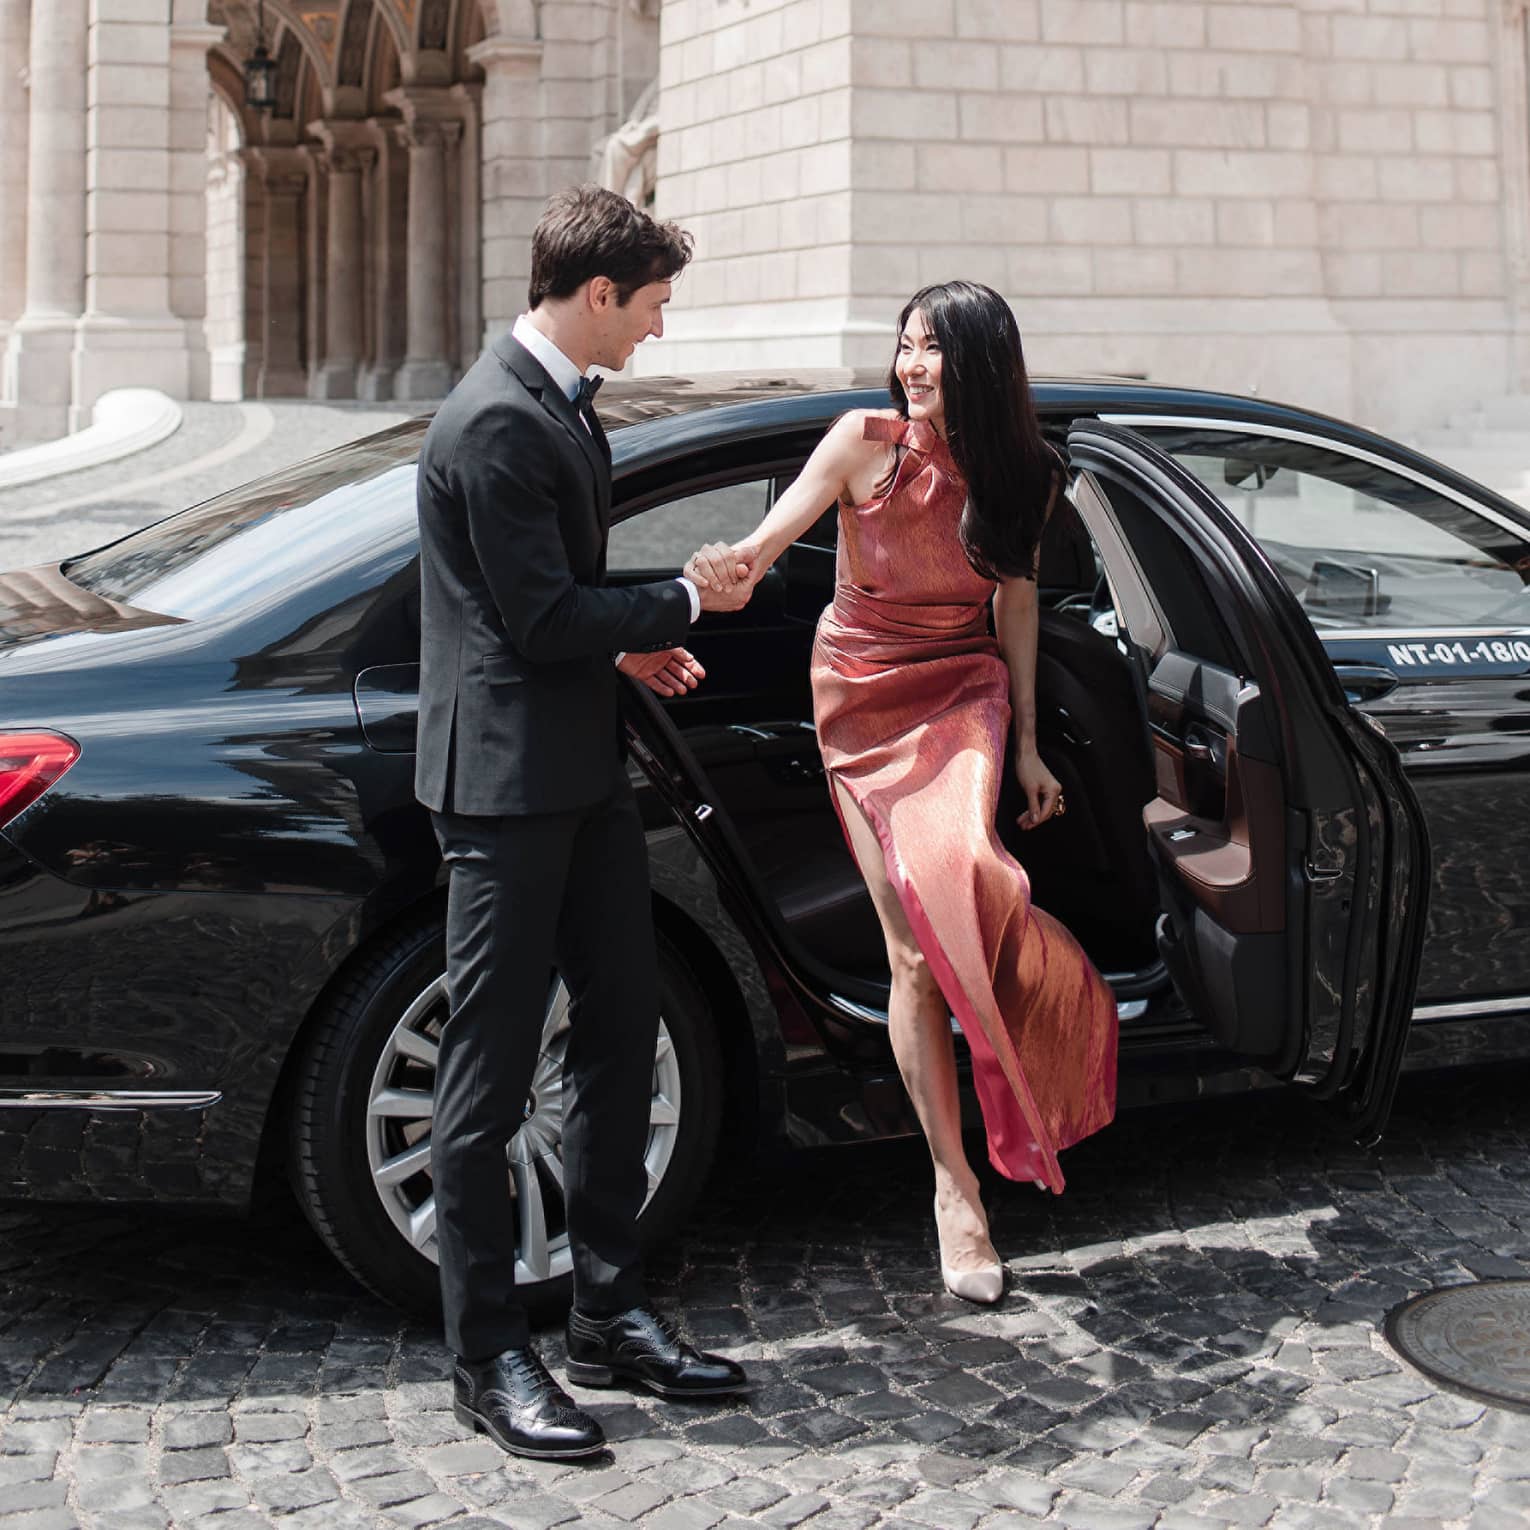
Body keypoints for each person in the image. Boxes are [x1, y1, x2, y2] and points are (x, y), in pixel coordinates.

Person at [687, 281, 1118, 1305]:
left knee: (966, 872)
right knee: (914, 954)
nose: (911, 367)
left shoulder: (1024, 474)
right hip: (860, 696)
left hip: (961, 689)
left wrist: (1026, 748)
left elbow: (1016, 608)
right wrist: (723, 568)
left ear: (982, 365)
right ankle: (953, 1185)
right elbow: (768, 543)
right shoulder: (862, 442)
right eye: (905, 346)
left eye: (933, 350)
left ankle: (1051, 1006)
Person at [415, 184, 750, 1462]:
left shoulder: (557, 402)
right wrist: (685, 602)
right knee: (487, 1077)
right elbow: (541, 617)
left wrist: (623, 649)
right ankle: (486, 1356)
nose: (660, 327)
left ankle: (607, 1314)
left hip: (579, 767)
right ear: (598, 294)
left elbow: (543, 601)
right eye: (653, 304)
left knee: (620, 1034)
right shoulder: (498, 419)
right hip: (503, 792)